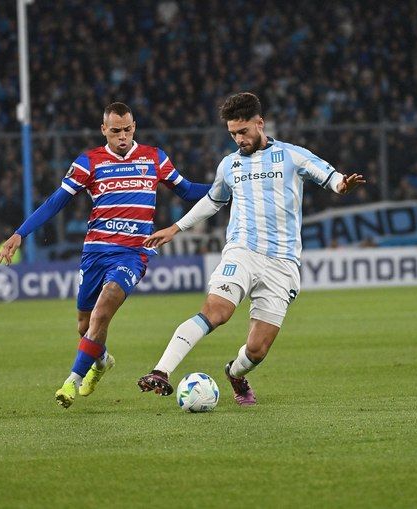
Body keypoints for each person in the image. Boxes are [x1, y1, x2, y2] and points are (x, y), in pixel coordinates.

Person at [137, 92, 365, 405]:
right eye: (233, 134)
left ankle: (235, 373)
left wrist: (342, 184)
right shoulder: (229, 165)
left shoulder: (290, 155)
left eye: (243, 131)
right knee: (217, 311)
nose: (238, 139)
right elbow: (213, 201)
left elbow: (327, 175)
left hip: (282, 263)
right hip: (241, 251)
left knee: (257, 350)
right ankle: (161, 371)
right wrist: (176, 228)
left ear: (260, 123)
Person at [0, 102, 211, 410]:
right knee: (85, 326)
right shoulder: (89, 162)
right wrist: (20, 233)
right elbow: (57, 201)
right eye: (115, 131)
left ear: (134, 127)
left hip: (133, 253)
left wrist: (226, 186)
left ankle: (71, 380)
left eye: (127, 129)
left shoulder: (154, 157)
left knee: (103, 310)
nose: (122, 136)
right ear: (104, 130)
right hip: (95, 253)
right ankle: (101, 360)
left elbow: (188, 191)